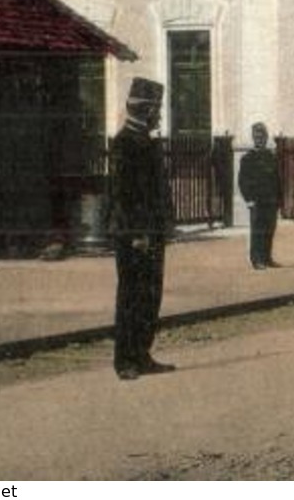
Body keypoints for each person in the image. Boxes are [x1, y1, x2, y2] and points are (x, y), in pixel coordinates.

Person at [108, 77, 175, 381]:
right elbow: (123, 194)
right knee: (131, 296)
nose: (159, 115)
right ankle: (125, 360)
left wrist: (163, 226)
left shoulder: (148, 142)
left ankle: (142, 354)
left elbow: (157, 191)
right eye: (157, 109)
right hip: (133, 235)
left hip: (152, 233)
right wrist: (136, 233)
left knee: (150, 296)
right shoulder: (124, 143)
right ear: (146, 110)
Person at [237, 121, 281, 270]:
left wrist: (279, 200)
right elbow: (243, 181)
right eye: (257, 136)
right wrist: (248, 199)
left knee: (270, 229)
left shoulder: (271, 156)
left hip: (271, 200)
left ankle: (267, 258)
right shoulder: (247, 159)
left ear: (266, 137)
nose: (260, 138)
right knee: (257, 231)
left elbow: (277, 179)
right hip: (256, 201)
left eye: (262, 135)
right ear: (253, 138)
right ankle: (256, 260)